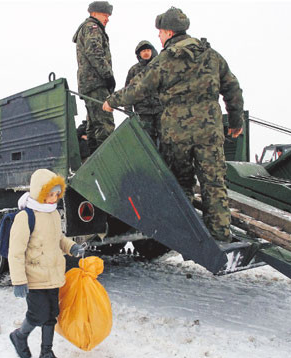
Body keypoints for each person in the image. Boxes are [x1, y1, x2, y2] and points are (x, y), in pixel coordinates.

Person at [102, 7, 245, 242]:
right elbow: (232, 88)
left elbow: (139, 89)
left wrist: (111, 101)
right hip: (209, 129)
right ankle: (220, 233)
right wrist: (236, 121)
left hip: (176, 132)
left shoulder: (165, 60)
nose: (158, 37)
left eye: (159, 33)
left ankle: (187, 233)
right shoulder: (211, 55)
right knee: (213, 181)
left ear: (168, 32)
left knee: (181, 182)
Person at [8, 169, 86, 358]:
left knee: (51, 314)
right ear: (39, 193)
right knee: (38, 314)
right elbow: (15, 252)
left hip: (53, 274)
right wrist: (18, 281)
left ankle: (46, 354)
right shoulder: (25, 217)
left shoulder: (52, 214)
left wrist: (71, 247)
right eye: (50, 194)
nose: (54, 198)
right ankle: (19, 336)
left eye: (56, 194)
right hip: (33, 276)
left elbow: (58, 238)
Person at [72, 1, 115, 155]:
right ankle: (108, 162)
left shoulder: (86, 28)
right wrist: (108, 75)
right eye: (105, 14)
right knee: (105, 124)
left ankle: (93, 162)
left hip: (88, 84)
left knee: (93, 125)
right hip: (96, 83)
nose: (108, 18)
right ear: (94, 13)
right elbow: (95, 53)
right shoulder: (92, 27)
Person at [124, 40, 163, 145]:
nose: (146, 53)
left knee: (164, 138)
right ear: (139, 54)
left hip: (160, 109)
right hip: (143, 112)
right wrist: (128, 110)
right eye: (143, 51)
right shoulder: (134, 70)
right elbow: (128, 90)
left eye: (148, 50)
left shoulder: (159, 67)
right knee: (147, 140)